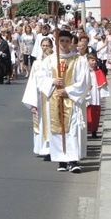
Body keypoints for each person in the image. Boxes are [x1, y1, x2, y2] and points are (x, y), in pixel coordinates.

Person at [37, 30, 89, 173]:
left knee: (72, 130)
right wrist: (53, 81)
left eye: (67, 41)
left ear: (71, 42)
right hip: (55, 98)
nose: (64, 44)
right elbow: (40, 78)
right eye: (62, 41)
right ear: (57, 42)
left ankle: (73, 160)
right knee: (58, 129)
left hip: (72, 100)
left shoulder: (78, 60)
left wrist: (68, 90)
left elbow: (83, 81)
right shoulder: (49, 60)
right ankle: (61, 160)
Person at [22, 37, 53, 158]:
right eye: (43, 45)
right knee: (41, 123)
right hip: (40, 98)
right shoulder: (37, 63)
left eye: (47, 45)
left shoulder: (54, 61)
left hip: (52, 97)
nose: (45, 48)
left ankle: (52, 149)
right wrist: (32, 103)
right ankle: (43, 149)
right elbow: (32, 83)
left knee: (51, 123)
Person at [86, 52, 107, 139]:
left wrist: (102, 94)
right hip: (87, 95)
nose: (94, 62)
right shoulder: (84, 71)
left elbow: (102, 83)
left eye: (95, 60)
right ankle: (86, 130)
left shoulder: (98, 72)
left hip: (95, 95)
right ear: (87, 61)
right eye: (92, 60)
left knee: (95, 114)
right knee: (87, 113)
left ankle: (94, 131)